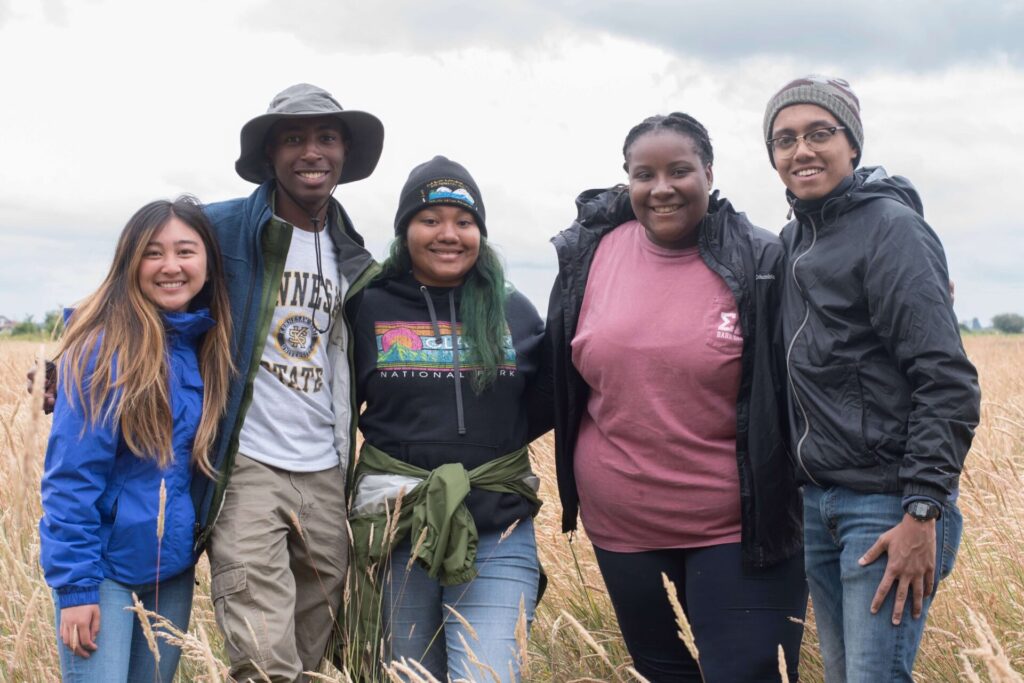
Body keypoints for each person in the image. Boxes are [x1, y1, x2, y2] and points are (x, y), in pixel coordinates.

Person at [544, 113, 806, 682]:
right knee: (664, 675)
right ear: (627, 181)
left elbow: (812, 372)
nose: (661, 188)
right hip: (622, 528)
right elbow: (554, 377)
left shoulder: (760, 260)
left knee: (751, 674)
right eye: (645, 174)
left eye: (679, 171)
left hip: (738, 527)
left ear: (709, 174)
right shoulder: (589, 258)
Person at [762, 75, 981, 681]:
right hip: (820, 504)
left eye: (819, 133)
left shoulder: (891, 229)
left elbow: (946, 379)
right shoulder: (793, 240)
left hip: (886, 506)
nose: (801, 150)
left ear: (852, 145)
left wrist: (921, 511)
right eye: (784, 139)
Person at [192, 83, 384, 681]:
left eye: (326, 137)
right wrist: (73, 365)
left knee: (312, 642)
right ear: (271, 154)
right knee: (263, 656)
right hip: (247, 462)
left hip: (325, 466)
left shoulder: (353, 257)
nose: (311, 152)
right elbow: (141, 289)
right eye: (294, 138)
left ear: (344, 154)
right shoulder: (220, 232)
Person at [347, 156, 548, 682]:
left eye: (464, 221)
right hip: (397, 530)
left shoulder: (513, 309)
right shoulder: (366, 306)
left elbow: (546, 401)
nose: (448, 234)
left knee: (489, 674)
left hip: (500, 531)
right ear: (404, 230)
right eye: (429, 219)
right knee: (409, 677)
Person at [39, 197, 233, 682]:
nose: (171, 266)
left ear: (208, 263)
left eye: (185, 251)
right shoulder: (104, 349)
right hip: (104, 574)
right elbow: (71, 479)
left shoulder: (203, 345)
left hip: (169, 576)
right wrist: (77, 590)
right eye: (153, 252)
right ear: (130, 263)